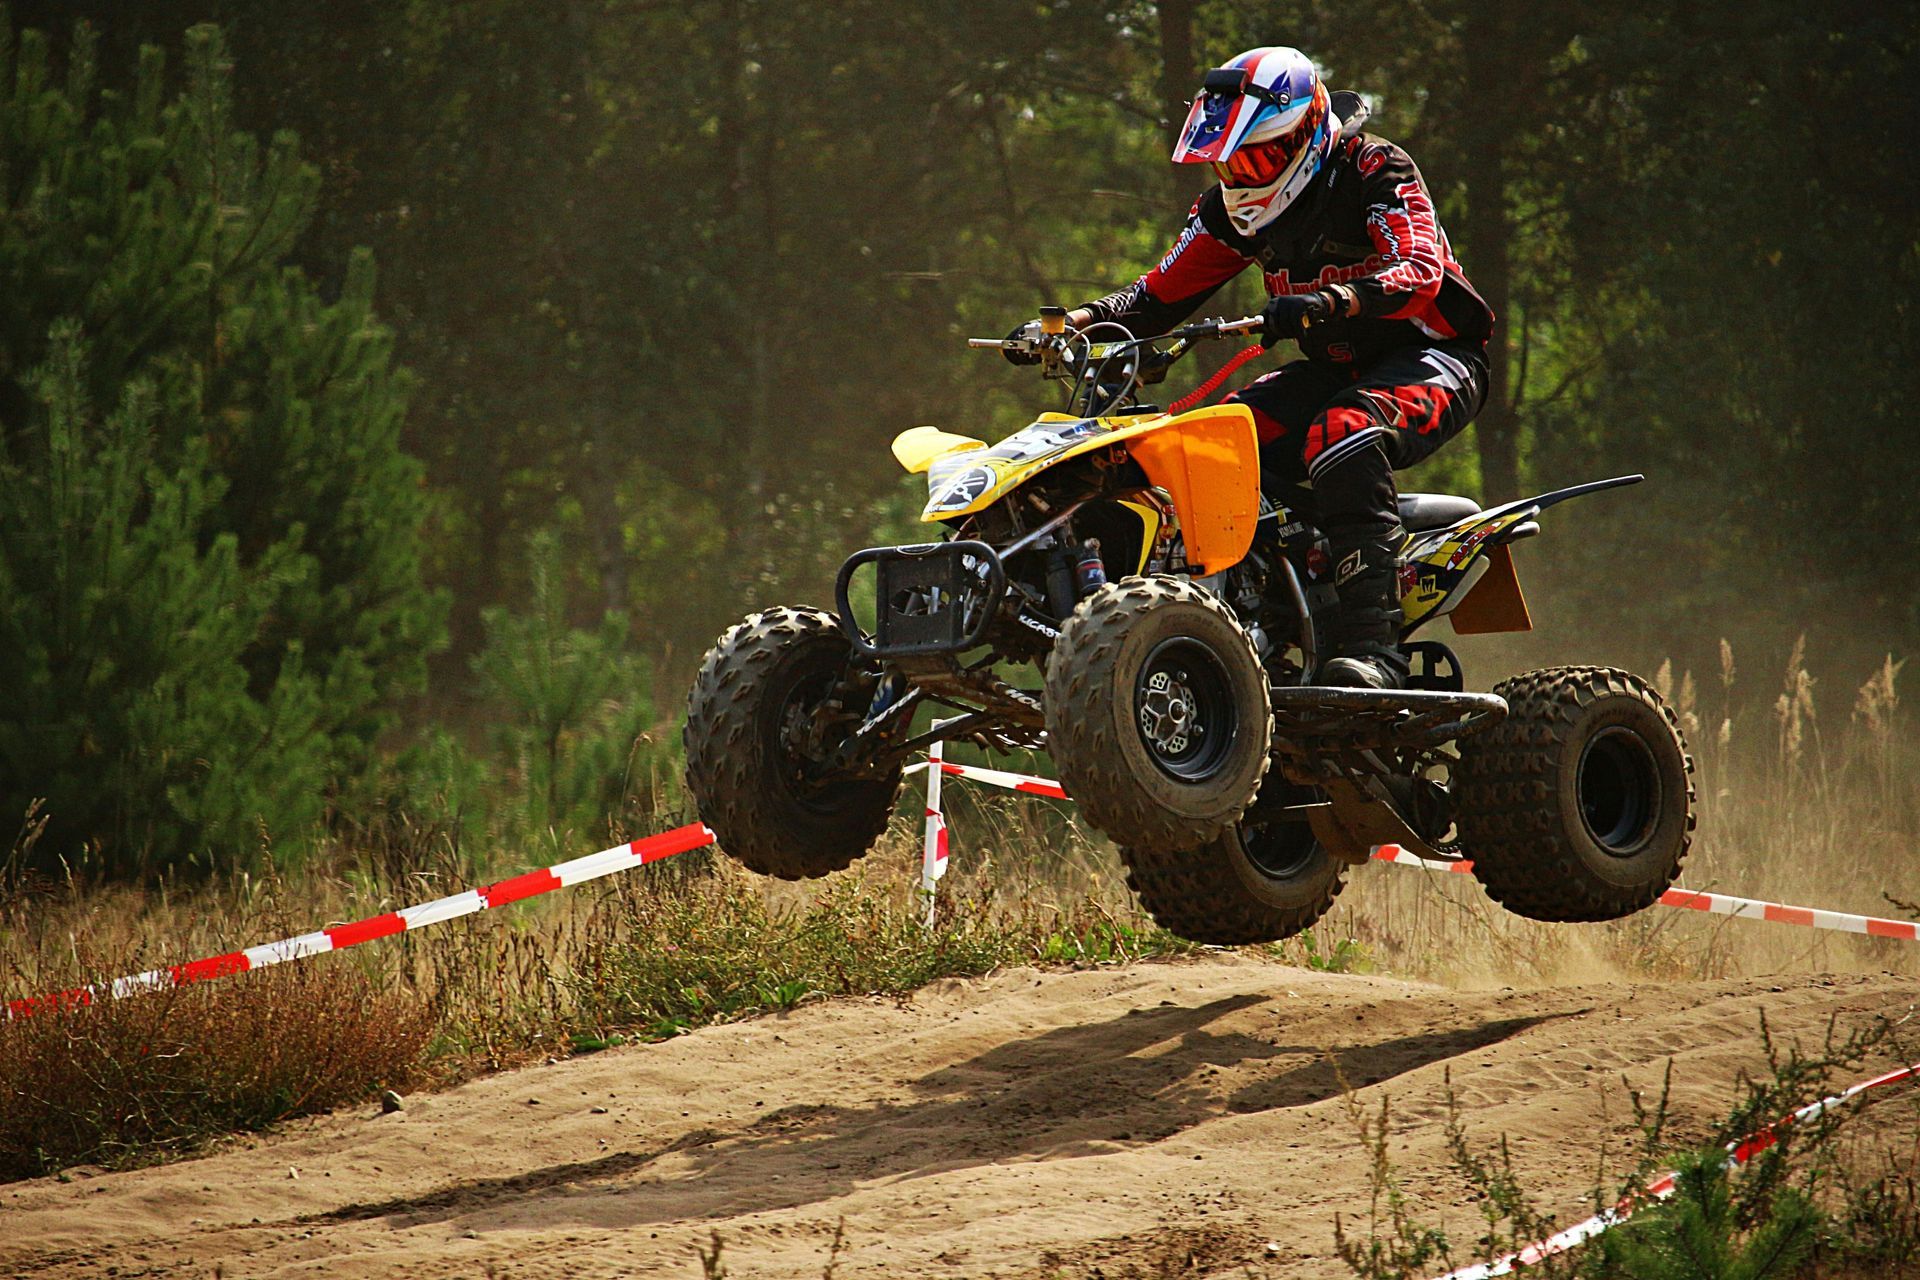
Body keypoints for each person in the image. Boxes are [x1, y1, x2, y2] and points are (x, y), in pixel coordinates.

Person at [1012, 46, 1494, 690]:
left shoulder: (1374, 167)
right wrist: (1073, 324)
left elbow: (1419, 271)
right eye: (1229, 161)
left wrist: (1330, 300)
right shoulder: (1228, 210)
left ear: (1308, 131)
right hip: (1337, 370)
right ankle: (1259, 614)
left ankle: (1375, 652)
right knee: (1219, 436)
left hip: (1435, 357)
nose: (1242, 176)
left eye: (1258, 156)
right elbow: (1155, 298)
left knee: (1343, 430)